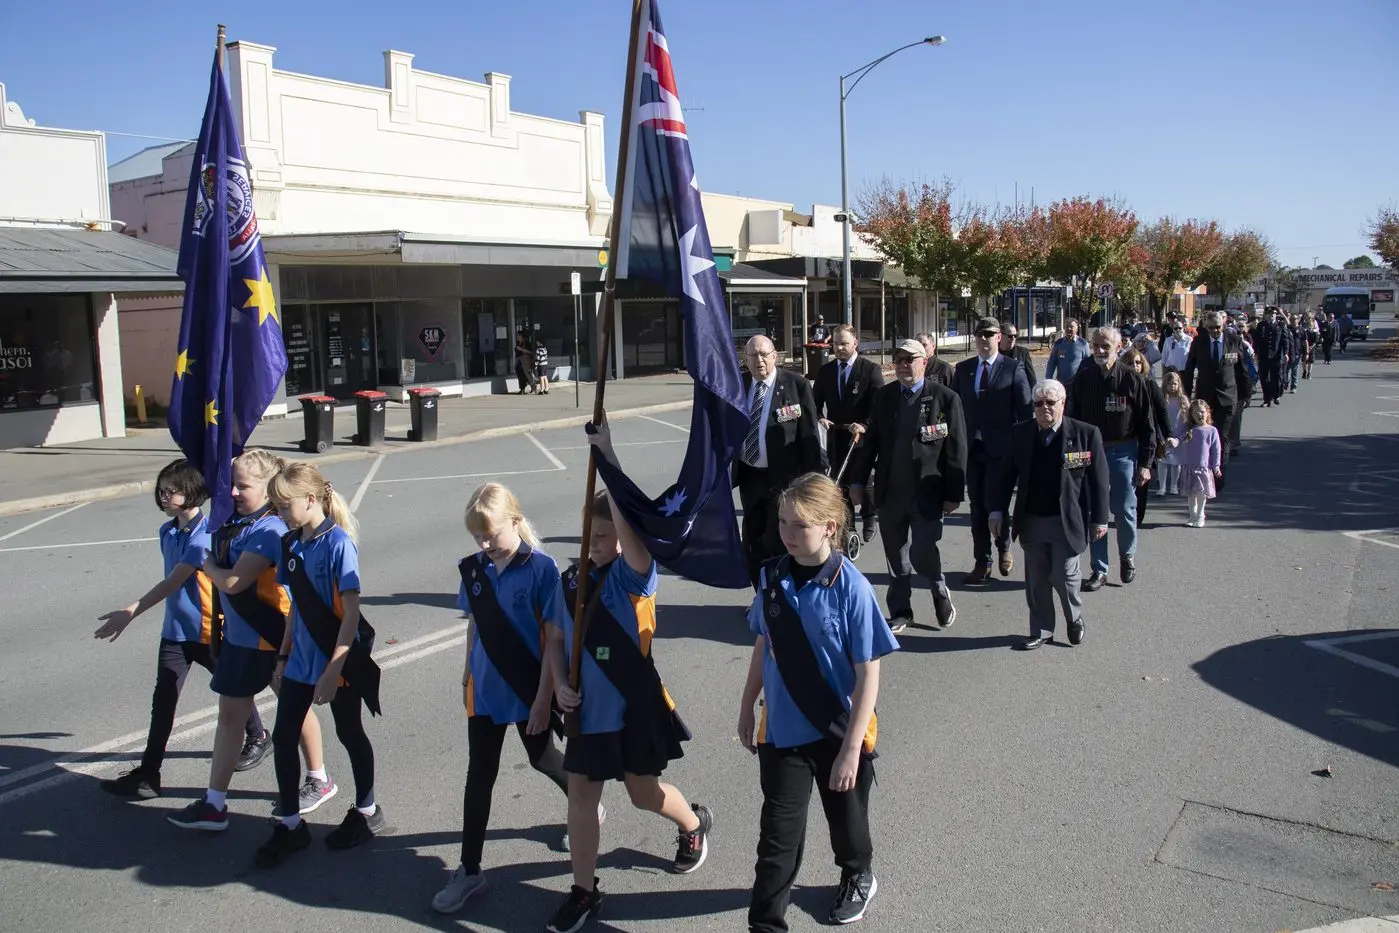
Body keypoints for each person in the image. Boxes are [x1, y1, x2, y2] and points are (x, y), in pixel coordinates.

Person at [544, 431, 712, 933]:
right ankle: (584, 891)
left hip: (634, 706)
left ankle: (693, 824)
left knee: (643, 792)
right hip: (586, 712)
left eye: (603, 537)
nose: (594, 545)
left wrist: (608, 457)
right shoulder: (570, 581)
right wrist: (557, 682)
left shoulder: (634, 576)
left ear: (621, 537)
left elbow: (632, 542)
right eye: (587, 536)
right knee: (581, 797)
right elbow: (554, 638)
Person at [738, 473, 897, 930]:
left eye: (799, 526)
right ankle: (766, 924)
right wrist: (747, 704)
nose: (787, 534)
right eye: (783, 523)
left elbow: (869, 674)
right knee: (776, 842)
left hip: (838, 729)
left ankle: (857, 873)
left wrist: (850, 749)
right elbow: (763, 644)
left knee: (846, 826)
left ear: (829, 527)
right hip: (783, 731)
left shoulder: (852, 588)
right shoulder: (771, 577)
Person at [432, 483, 581, 914]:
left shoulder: (542, 569)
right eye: (476, 536)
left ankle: (584, 804)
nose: (483, 543)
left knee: (542, 759)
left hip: (527, 686)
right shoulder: (474, 568)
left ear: (514, 522)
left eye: (490, 534)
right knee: (479, 773)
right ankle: (470, 868)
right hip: (484, 690)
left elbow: (555, 639)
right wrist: (466, 670)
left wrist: (542, 700)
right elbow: (475, 624)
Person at [166, 450, 334, 833]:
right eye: (230, 484)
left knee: (292, 710)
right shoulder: (237, 522)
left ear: (270, 489)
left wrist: (204, 559)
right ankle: (215, 803)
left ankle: (317, 778)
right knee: (232, 717)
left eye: (243, 485)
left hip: (268, 637)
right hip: (241, 639)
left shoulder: (268, 530)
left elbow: (233, 582)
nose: (233, 492)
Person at [95, 459, 268, 800]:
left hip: (206, 630)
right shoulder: (168, 531)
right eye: (160, 491)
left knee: (233, 689)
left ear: (190, 493)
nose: (162, 497)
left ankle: (259, 736)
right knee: (164, 702)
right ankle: (149, 775)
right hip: (175, 632)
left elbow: (174, 581)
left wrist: (131, 610)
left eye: (169, 492)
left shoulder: (204, 534)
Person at [255, 461, 384, 868]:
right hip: (300, 661)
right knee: (284, 734)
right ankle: (291, 824)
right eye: (273, 505)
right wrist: (282, 654)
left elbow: (349, 615)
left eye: (282, 504)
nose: (277, 512)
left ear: (311, 500)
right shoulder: (291, 543)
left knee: (350, 734)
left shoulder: (338, 543)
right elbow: (296, 607)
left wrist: (335, 670)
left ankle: (367, 810)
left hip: (336, 658)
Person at [989, 379, 1109, 651]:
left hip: (1067, 521)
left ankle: (1074, 617)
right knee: (1037, 580)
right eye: (1038, 403)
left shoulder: (1086, 434)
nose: (1044, 408)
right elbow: (1005, 476)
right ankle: (1042, 629)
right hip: (1032, 520)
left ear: (1062, 404)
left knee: (1064, 576)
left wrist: (1100, 518)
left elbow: (1099, 480)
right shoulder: (1020, 433)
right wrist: (997, 510)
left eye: (1050, 403)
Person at [865, 339, 967, 633]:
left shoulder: (945, 398)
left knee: (922, 551)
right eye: (898, 361)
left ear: (925, 362)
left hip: (928, 494)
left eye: (910, 360)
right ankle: (900, 610)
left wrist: (953, 494)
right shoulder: (884, 397)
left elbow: (957, 451)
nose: (903, 366)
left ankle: (938, 589)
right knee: (896, 557)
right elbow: (871, 441)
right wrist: (858, 481)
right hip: (891, 492)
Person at [1066, 327, 1155, 591]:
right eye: (1095, 346)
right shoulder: (1083, 379)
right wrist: (1072, 459)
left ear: (1118, 347)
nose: (1100, 351)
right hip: (1091, 453)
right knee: (1095, 512)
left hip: (1122, 452)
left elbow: (1147, 425)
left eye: (1105, 346)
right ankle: (1099, 569)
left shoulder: (1132, 380)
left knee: (1125, 509)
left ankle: (1127, 556)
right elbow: (1072, 422)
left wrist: (1145, 464)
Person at [735, 335, 822, 587]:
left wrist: (812, 482)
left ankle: (782, 595)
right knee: (752, 540)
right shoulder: (738, 386)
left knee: (780, 539)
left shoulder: (796, 385)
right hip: (751, 477)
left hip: (786, 479)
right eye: (753, 355)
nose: (759, 360)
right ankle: (761, 595)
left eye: (764, 354)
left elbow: (809, 437)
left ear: (775, 356)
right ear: (746, 360)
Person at [952, 317, 1032, 583]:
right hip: (973, 449)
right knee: (977, 507)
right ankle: (982, 561)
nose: (984, 339)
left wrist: (1020, 448)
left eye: (989, 334)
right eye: (979, 335)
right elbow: (953, 409)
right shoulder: (963, 370)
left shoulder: (1013, 368)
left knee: (996, 503)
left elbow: (1024, 411)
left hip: (1002, 450)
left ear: (999, 337)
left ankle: (1004, 547)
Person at [813, 324, 885, 542]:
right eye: (835, 343)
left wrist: (865, 425)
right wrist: (820, 417)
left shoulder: (870, 370)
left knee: (863, 479)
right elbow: (814, 402)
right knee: (840, 481)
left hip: (861, 436)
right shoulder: (826, 371)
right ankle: (848, 524)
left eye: (844, 343)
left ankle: (869, 515)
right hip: (836, 434)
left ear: (855, 343)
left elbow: (879, 404)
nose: (839, 348)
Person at [1181, 310, 1249, 484]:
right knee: (1204, 436)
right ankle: (1205, 471)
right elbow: (1189, 369)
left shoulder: (1233, 340)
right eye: (1211, 328)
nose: (1215, 331)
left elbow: (1242, 369)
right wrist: (1186, 395)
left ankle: (1219, 476)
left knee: (1223, 436)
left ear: (1223, 325)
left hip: (1228, 396)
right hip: (1205, 398)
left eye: (1218, 327)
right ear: (1205, 326)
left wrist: (1245, 394)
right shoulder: (1199, 342)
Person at [1123, 348, 1168, 529]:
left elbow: (1161, 410)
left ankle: (1137, 515)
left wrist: (1169, 434)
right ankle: (1125, 510)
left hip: (1147, 436)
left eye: (1138, 362)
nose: (1135, 366)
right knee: (1125, 479)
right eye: (1131, 363)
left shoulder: (1150, 384)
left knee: (1142, 476)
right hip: (1125, 437)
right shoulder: (1120, 384)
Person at [1173, 400, 1222, 528]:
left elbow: (1216, 449)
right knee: (1191, 494)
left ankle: (1201, 516)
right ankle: (1192, 516)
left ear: (1207, 412)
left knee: (1201, 493)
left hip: (1203, 467)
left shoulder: (1212, 431)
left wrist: (1216, 465)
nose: (1199, 415)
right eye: (1196, 412)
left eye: (1202, 412)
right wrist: (1174, 441)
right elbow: (1179, 438)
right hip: (1189, 467)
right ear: (1192, 415)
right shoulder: (1189, 429)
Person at [1156, 371, 1189, 496]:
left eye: (1175, 384)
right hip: (1164, 435)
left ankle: (1174, 485)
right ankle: (1162, 486)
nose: (1172, 387)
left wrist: (1180, 438)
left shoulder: (1183, 400)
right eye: (1169, 384)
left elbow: (1187, 421)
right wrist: (1160, 435)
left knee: (1176, 463)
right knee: (1163, 461)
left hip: (1178, 436)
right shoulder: (1163, 399)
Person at [1045, 320, 1090, 386]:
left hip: (1077, 383)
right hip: (1061, 383)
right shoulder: (1058, 343)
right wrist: (1048, 378)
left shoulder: (1083, 344)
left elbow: (1088, 364)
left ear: (1076, 328)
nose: (1069, 329)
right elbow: (1052, 362)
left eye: (1071, 327)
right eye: (1067, 327)